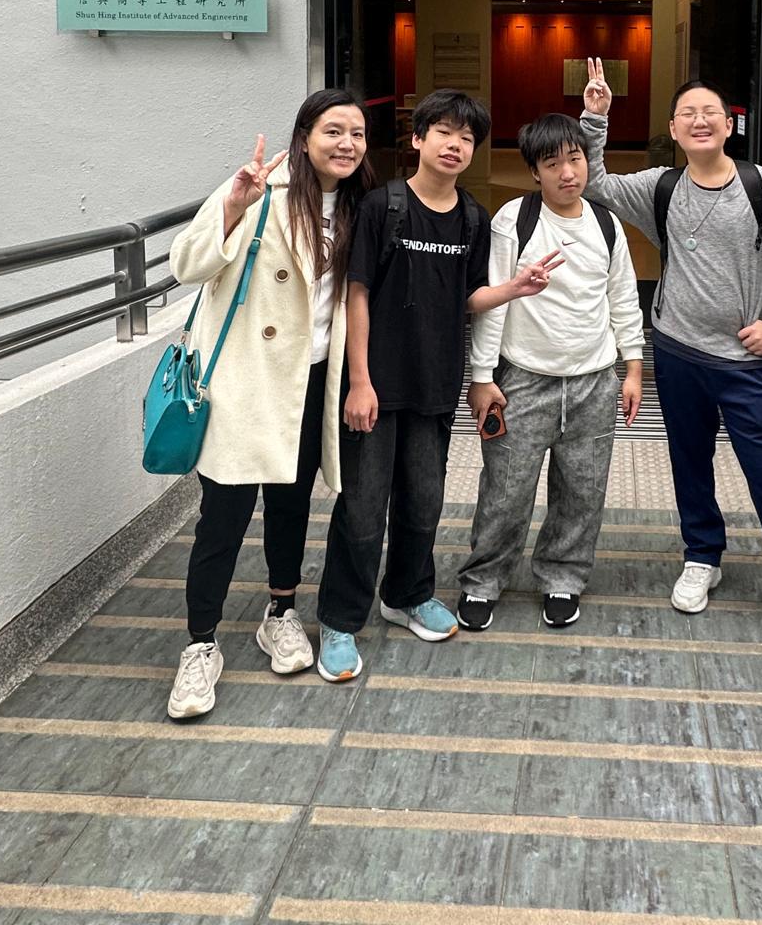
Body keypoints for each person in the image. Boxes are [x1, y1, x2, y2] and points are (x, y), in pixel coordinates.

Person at [580, 59, 762, 660]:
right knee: (689, 461)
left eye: (710, 112)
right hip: (677, 352)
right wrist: (596, 118)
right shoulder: (659, 187)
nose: (700, 121)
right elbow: (594, 183)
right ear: (674, 130)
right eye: (688, 114)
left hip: (744, 363)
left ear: (728, 125)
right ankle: (702, 555)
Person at [315, 88, 564, 681]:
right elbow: (356, 294)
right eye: (444, 132)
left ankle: (406, 595)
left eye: (467, 137)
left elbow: (468, 297)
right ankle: (339, 620)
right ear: (418, 138)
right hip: (377, 386)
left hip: (434, 385)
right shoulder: (383, 206)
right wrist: (358, 381)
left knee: (424, 501)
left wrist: (514, 288)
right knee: (362, 509)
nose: (455, 145)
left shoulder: (473, 218)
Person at [166, 89, 373, 719]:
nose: (347, 144)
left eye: (357, 133)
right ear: (304, 137)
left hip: (309, 382)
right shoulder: (260, 189)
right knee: (222, 518)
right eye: (333, 131)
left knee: (290, 506)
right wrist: (232, 207)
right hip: (243, 383)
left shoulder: (362, 204)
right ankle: (200, 644)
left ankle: (280, 612)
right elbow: (186, 264)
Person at [456, 114, 644, 632]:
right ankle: (482, 580)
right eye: (553, 163)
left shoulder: (606, 223)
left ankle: (563, 576)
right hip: (523, 380)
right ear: (534, 171)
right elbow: (494, 302)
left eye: (575, 159)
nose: (567, 173)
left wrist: (632, 367)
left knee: (582, 491)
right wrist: (482, 377)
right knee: (506, 491)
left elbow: (623, 298)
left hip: (594, 380)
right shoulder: (514, 220)